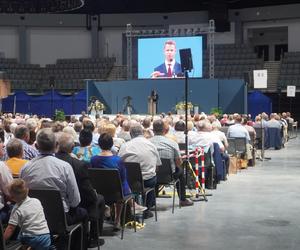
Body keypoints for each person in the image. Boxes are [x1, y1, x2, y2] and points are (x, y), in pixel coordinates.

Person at [90, 133, 147, 230]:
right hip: (116, 194)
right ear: (112, 144)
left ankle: (108, 208)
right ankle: (117, 220)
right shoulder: (118, 160)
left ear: (99, 144)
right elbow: (123, 179)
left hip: (99, 193)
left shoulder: (93, 159)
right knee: (122, 186)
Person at [4, 179, 51, 250]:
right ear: (28, 190)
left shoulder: (17, 209)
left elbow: (10, 228)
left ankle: (26, 247)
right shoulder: (37, 201)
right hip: (46, 237)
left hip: (31, 238)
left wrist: (3, 241)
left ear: (12, 198)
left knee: (19, 236)